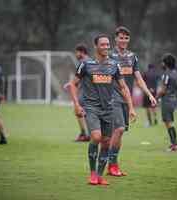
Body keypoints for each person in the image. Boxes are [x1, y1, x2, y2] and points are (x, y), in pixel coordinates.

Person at [67, 34, 136, 186]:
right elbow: (72, 84)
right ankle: (92, 174)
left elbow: (123, 87)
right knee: (96, 137)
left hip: (109, 109)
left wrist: (131, 107)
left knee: (106, 142)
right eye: (103, 45)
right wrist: (77, 105)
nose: (106, 47)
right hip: (91, 107)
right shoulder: (85, 64)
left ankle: (99, 176)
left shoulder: (114, 65)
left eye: (107, 45)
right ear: (96, 46)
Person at [107, 26, 157, 176]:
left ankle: (112, 164)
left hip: (126, 100)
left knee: (119, 133)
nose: (123, 40)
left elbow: (139, 78)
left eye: (126, 38)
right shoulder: (109, 55)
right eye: (121, 37)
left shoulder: (132, 57)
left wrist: (149, 94)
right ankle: (111, 165)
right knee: (119, 129)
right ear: (115, 38)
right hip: (112, 98)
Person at [156, 53, 177, 152]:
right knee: (169, 122)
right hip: (174, 100)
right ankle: (174, 143)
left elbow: (163, 90)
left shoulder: (166, 74)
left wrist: (156, 97)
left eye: (163, 62)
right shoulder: (176, 73)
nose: (161, 64)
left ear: (166, 63)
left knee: (168, 123)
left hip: (167, 100)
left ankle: (175, 145)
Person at [73, 43, 90, 142]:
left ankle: (85, 134)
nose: (76, 54)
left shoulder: (83, 63)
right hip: (88, 92)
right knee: (83, 112)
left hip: (85, 93)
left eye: (77, 52)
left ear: (82, 52)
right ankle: (86, 133)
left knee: (79, 111)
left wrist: (73, 85)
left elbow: (77, 80)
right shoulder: (92, 61)